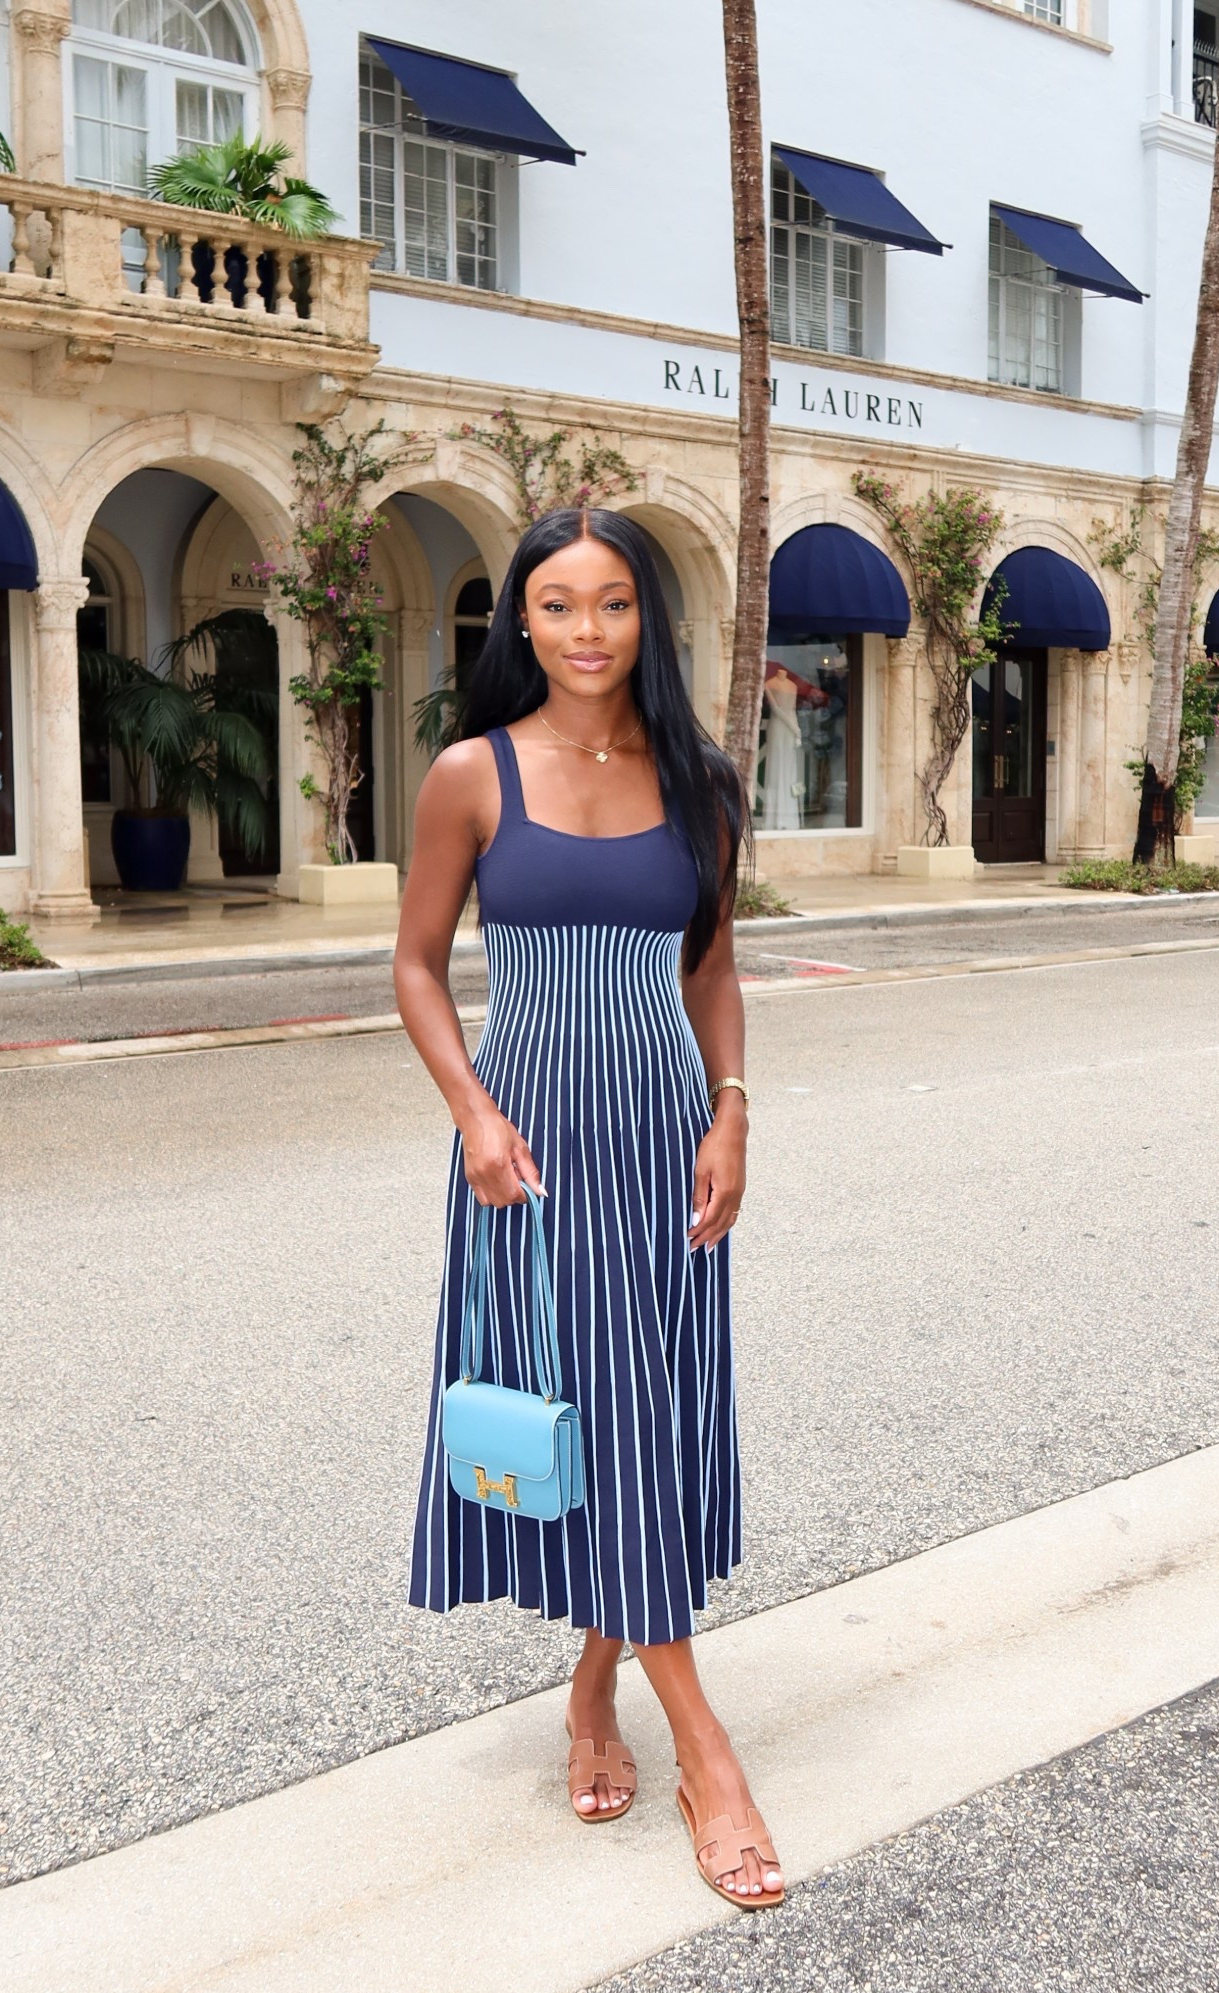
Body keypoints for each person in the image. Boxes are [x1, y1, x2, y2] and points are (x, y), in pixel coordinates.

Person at [395, 506, 783, 1908]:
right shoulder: (469, 775)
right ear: (520, 624)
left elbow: (713, 970)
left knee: (648, 1423)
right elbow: (419, 969)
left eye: (610, 603)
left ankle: (587, 1693)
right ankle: (708, 1757)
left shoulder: (703, 782)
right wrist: (473, 1117)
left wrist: (733, 1108)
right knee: (600, 1415)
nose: (584, 631)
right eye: (555, 606)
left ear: (645, 620)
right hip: (533, 1148)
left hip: (669, 1140)